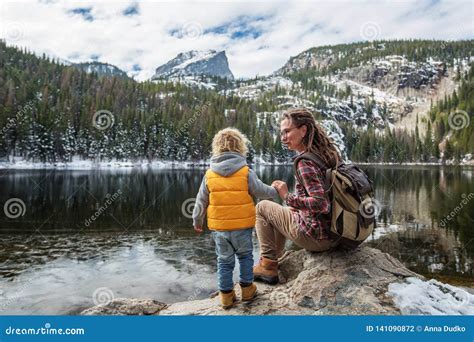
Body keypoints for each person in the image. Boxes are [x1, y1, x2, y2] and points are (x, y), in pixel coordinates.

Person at [253, 107, 341, 285]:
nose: (283, 137)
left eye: (287, 131)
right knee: (281, 212)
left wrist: (287, 196)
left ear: (303, 130)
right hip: (335, 233)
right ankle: (273, 260)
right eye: (281, 133)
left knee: (262, 208)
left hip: (317, 237)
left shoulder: (305, 161)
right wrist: (295, 205)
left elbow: (321, 203)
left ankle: (268, 266)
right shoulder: (326, 154)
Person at [193, 127, 278, 309]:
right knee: (245, 256)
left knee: (224, 261)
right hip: (242, 227)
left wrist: (197, 220)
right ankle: (247, 290)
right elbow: (260, 190)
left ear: (217, 148)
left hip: (220, 229)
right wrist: (274, 191)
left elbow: (201, 200)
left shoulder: (209, 174)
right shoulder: (245, 171)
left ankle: (226, 296)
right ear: (240, 147)